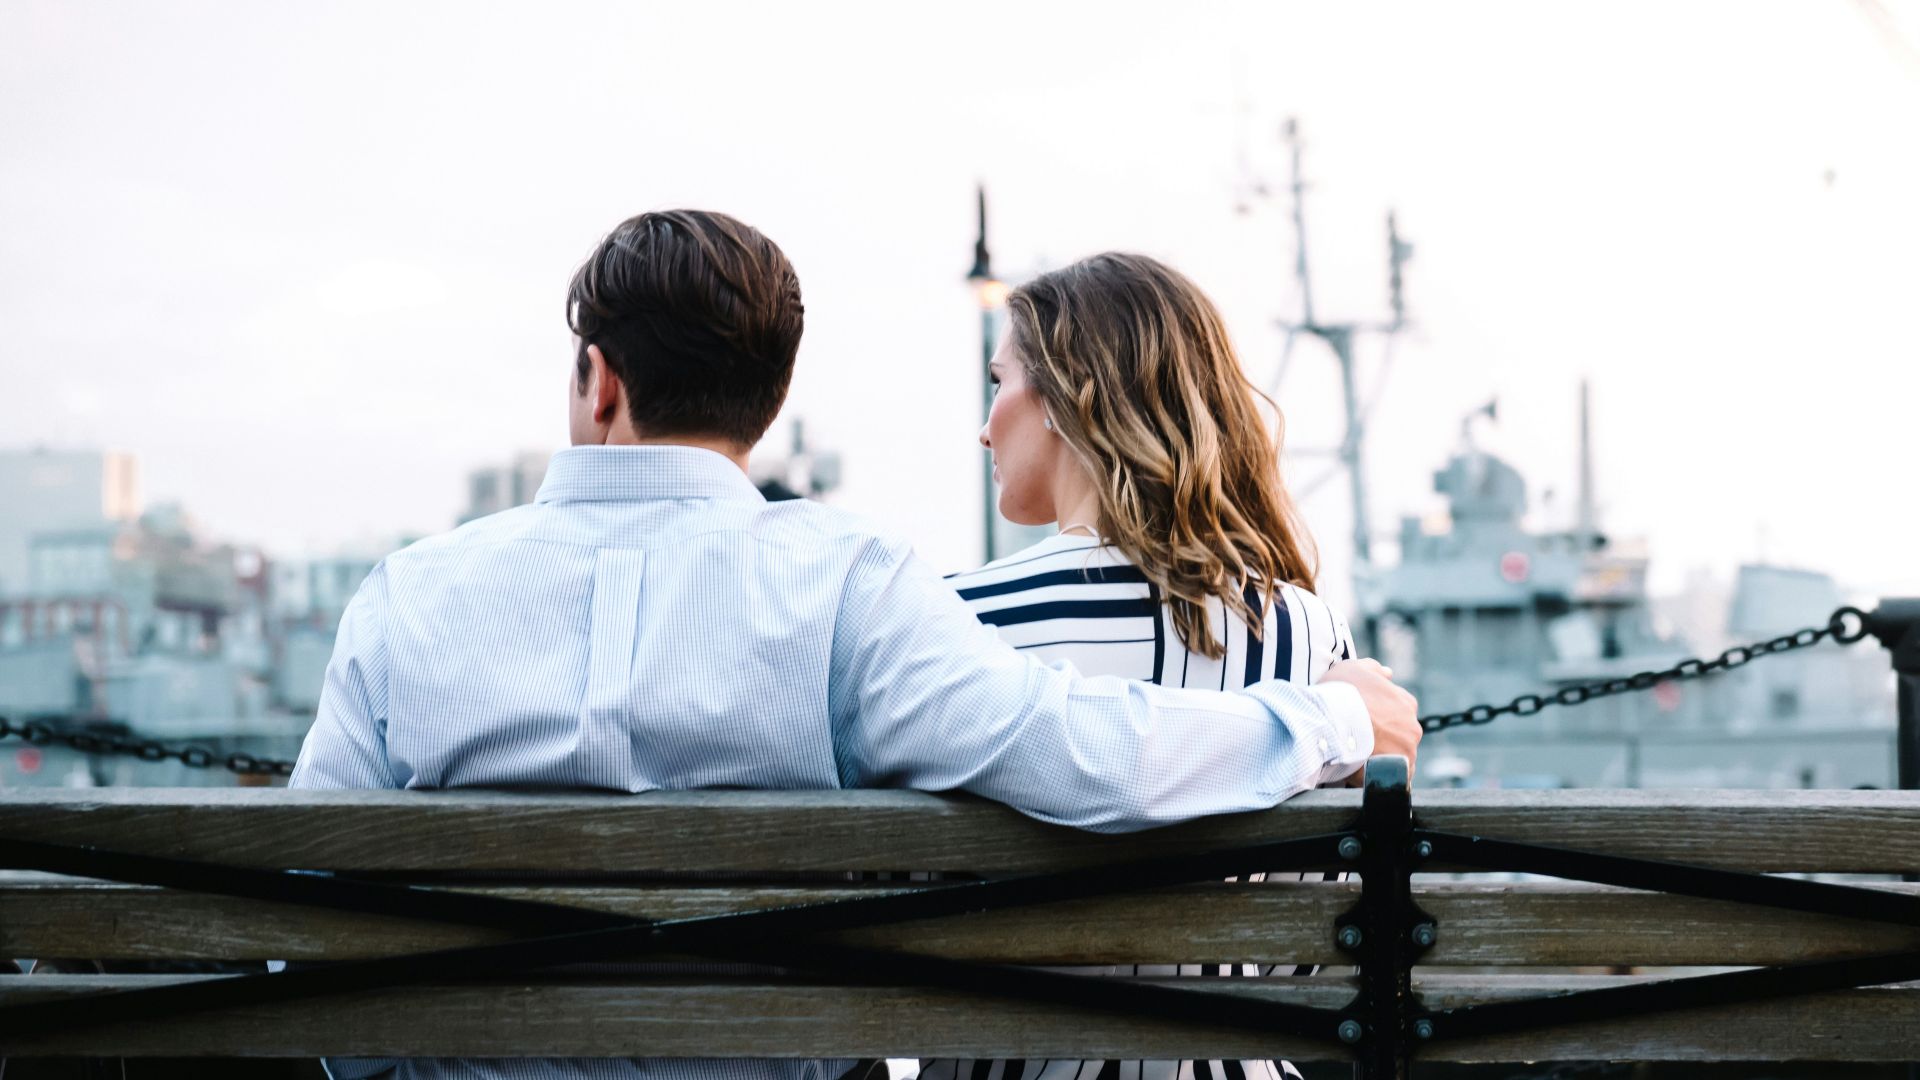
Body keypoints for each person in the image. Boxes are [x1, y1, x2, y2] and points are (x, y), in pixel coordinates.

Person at [289, 210, 1420, 1080]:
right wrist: (1328, 718)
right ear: (770, 403)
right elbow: (1080, 755)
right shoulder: (846, 585)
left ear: (600, 380)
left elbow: (296, 914)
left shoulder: (409, 595)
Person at [921, 252, 1377, 1080]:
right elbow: (1313, 948)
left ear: (1066, 397)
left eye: (999, 383)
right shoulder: (1308, 639)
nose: (985, 426)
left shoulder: (957, 623)